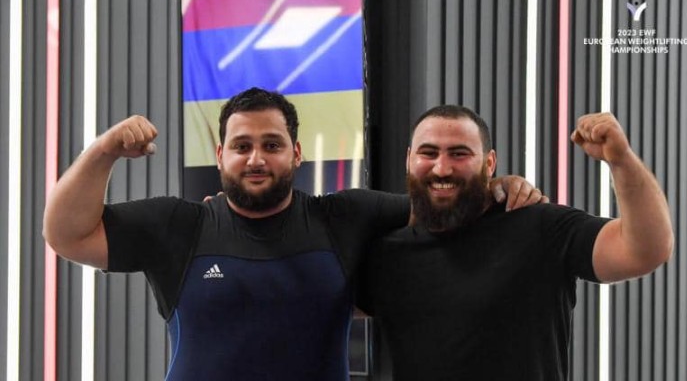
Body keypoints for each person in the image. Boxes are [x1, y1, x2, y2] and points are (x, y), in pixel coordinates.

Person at [42, 88, 543, 380]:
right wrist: (103, 151)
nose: (256, 159)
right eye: (241, 146)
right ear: (220, 156)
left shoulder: (345, 217)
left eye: (272, 144)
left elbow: (444, 208)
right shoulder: (179, 226)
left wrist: (496, 186)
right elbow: (66, 235)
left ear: (297, 153)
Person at [358, 105, 674, 381]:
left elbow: (646, 250)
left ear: (489, 163)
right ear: (409, 160)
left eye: (459, 154)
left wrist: (622, 160)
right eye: (428, 153)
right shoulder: (387, 254)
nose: (442, 167)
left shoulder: (539, 227)